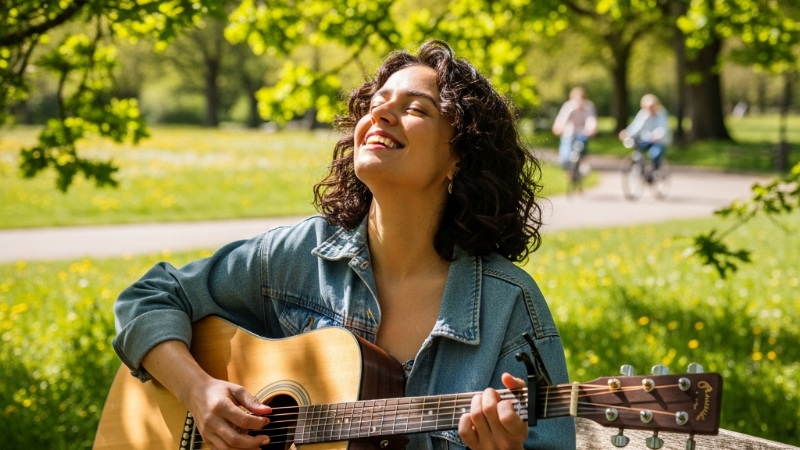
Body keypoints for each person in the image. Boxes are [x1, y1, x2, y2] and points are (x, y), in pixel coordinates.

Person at [113, 40, 575, 450]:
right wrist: (197, 391)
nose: (381, 114)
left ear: (460, 154)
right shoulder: (300, 255)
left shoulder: (508, 306)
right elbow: (149, 297)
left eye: (416, 109)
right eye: (377, 103)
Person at [618, 94, 671, 171]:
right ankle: (640, 168)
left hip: (659, 141)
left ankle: (655, 169)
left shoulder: (661, 114)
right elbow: (636, 126)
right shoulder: (643, 114)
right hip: (646, 139)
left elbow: (663, 129)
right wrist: (627, 133)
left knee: (654, 154)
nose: (650, 109)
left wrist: (656, 135)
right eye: (648, 107)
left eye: (652, 107)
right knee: (637, 152)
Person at [551, 87, 598, 170]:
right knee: (565, 157)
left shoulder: (588, 107)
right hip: (569, 132)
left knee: (581, 149)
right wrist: (559, 127)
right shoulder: (568, 107)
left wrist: (591, 128)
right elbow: (561, 120)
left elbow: (591, 120)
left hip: (582, 133)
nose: (578, 102)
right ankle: (568, 170)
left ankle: (583, 162)